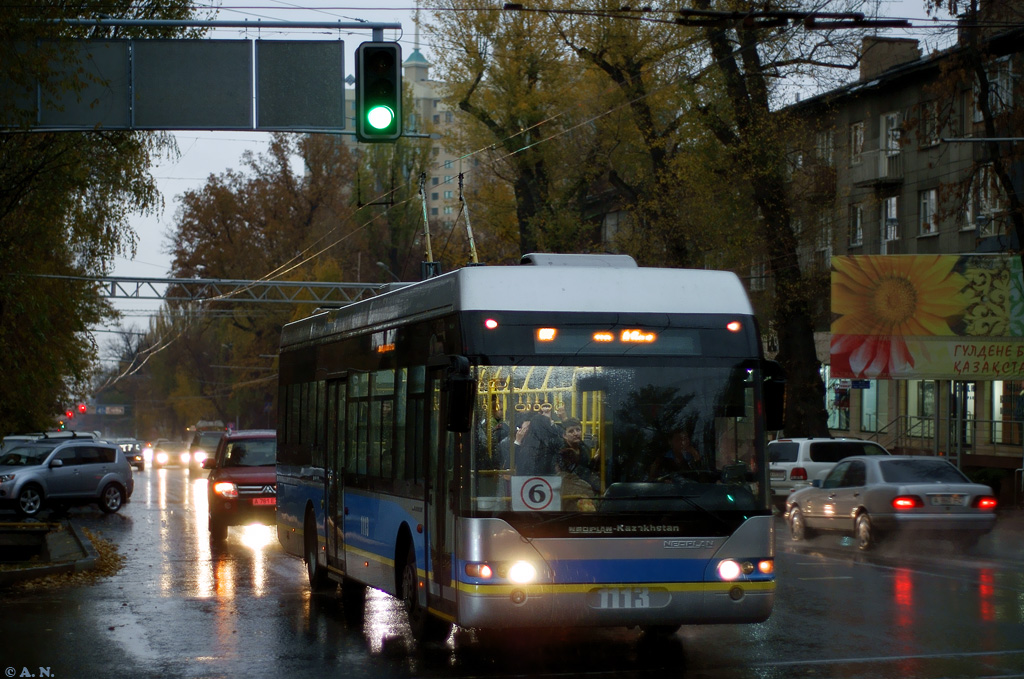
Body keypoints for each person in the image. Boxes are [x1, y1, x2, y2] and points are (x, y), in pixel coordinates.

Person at [556, 418, 599, 493]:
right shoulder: (562, 452)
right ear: (564, 435)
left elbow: (586, 468)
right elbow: (571, 474)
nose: (576, 433)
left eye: (578, 430)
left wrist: (595, 460)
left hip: (583, 488)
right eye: (571, 431)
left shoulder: (584, 448)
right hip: (568, 491)